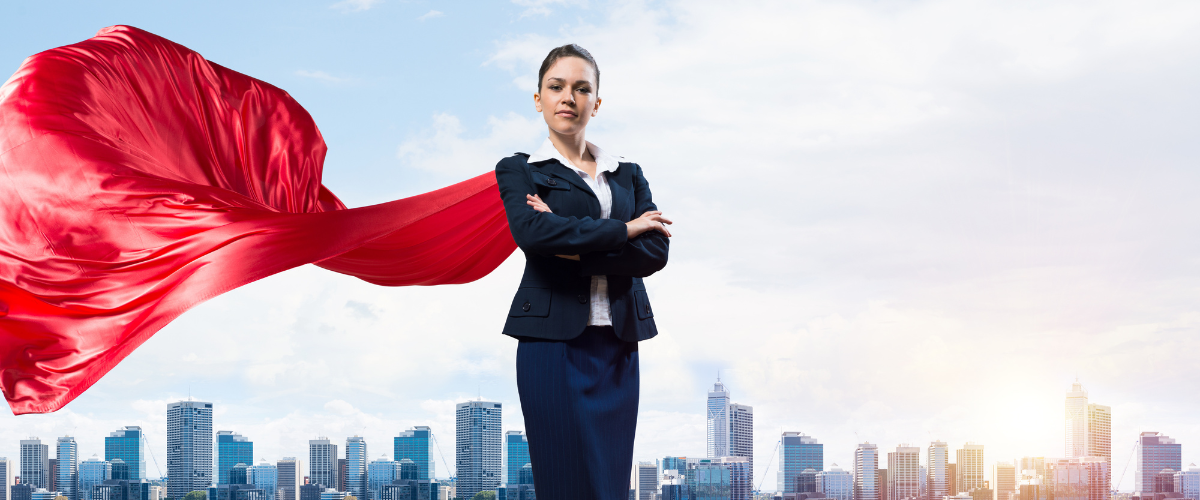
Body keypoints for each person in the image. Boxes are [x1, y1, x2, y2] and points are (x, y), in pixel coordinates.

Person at [494, 44, 673, 499]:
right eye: (556, 87)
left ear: (597, 101)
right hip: (551, 345)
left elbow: (653, 253)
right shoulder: (520, 170)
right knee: (564, 481)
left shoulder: (627, 175)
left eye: (581, 88)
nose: (568, 97)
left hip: (618, 343)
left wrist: (573, 245)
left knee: (610, 484)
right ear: (538, 99)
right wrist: (625, 229)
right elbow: (534, 236)